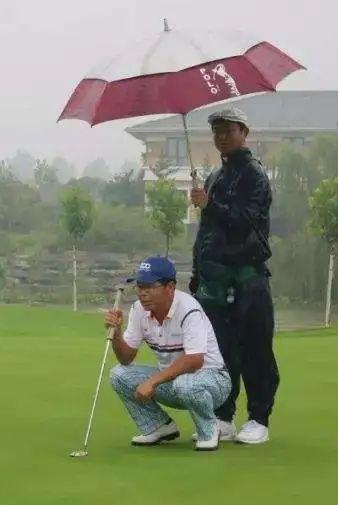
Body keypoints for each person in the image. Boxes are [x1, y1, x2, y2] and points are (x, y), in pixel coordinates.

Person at [189, 106, 280, 445]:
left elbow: (246, 219)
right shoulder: (215, 176)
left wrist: (209, 204)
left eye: (228, 130)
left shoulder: (254, 174)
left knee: (255, 348)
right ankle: (224, 415)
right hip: (215, 280)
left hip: (248, 277)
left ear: (244, 132)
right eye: (217, 131)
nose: (221, 137)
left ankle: (259, 418)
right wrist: (198, 272)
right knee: (222, 351)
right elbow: (207, 234)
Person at [104, 256, 231, 451]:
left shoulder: (189, 309)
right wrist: (117, 333)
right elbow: (126, 358)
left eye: (149, 287)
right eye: (139, 287)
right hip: (173, 382)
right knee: (119, 375)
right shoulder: (139, 310)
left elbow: (195, 361)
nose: (142, 293)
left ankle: (210, 428)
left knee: (185, 383)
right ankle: (159, 426)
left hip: (214, 380)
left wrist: (153, 381)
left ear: (170, 287)